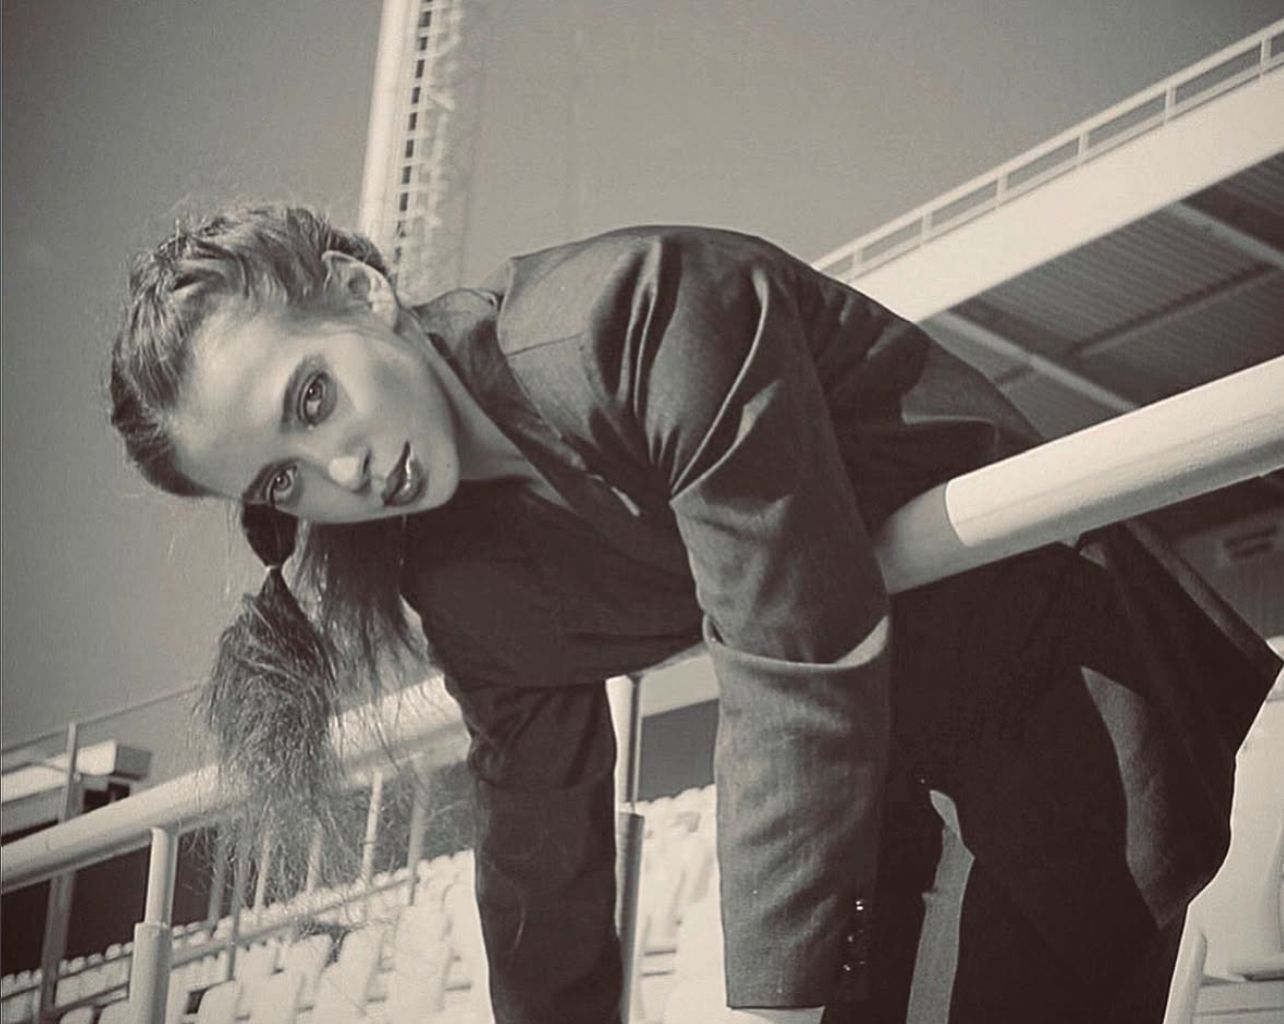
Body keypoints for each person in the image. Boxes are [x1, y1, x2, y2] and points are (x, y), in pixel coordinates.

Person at [109, 205, 1279, 1024]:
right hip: (887, 789)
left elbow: (795, 655)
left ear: (364, 294)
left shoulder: (637, 311)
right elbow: (537, 839)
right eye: (281, 480)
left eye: (312, 397)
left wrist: (767, 1008)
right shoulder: (458, 578)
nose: (340, 473)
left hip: (1065, 694)